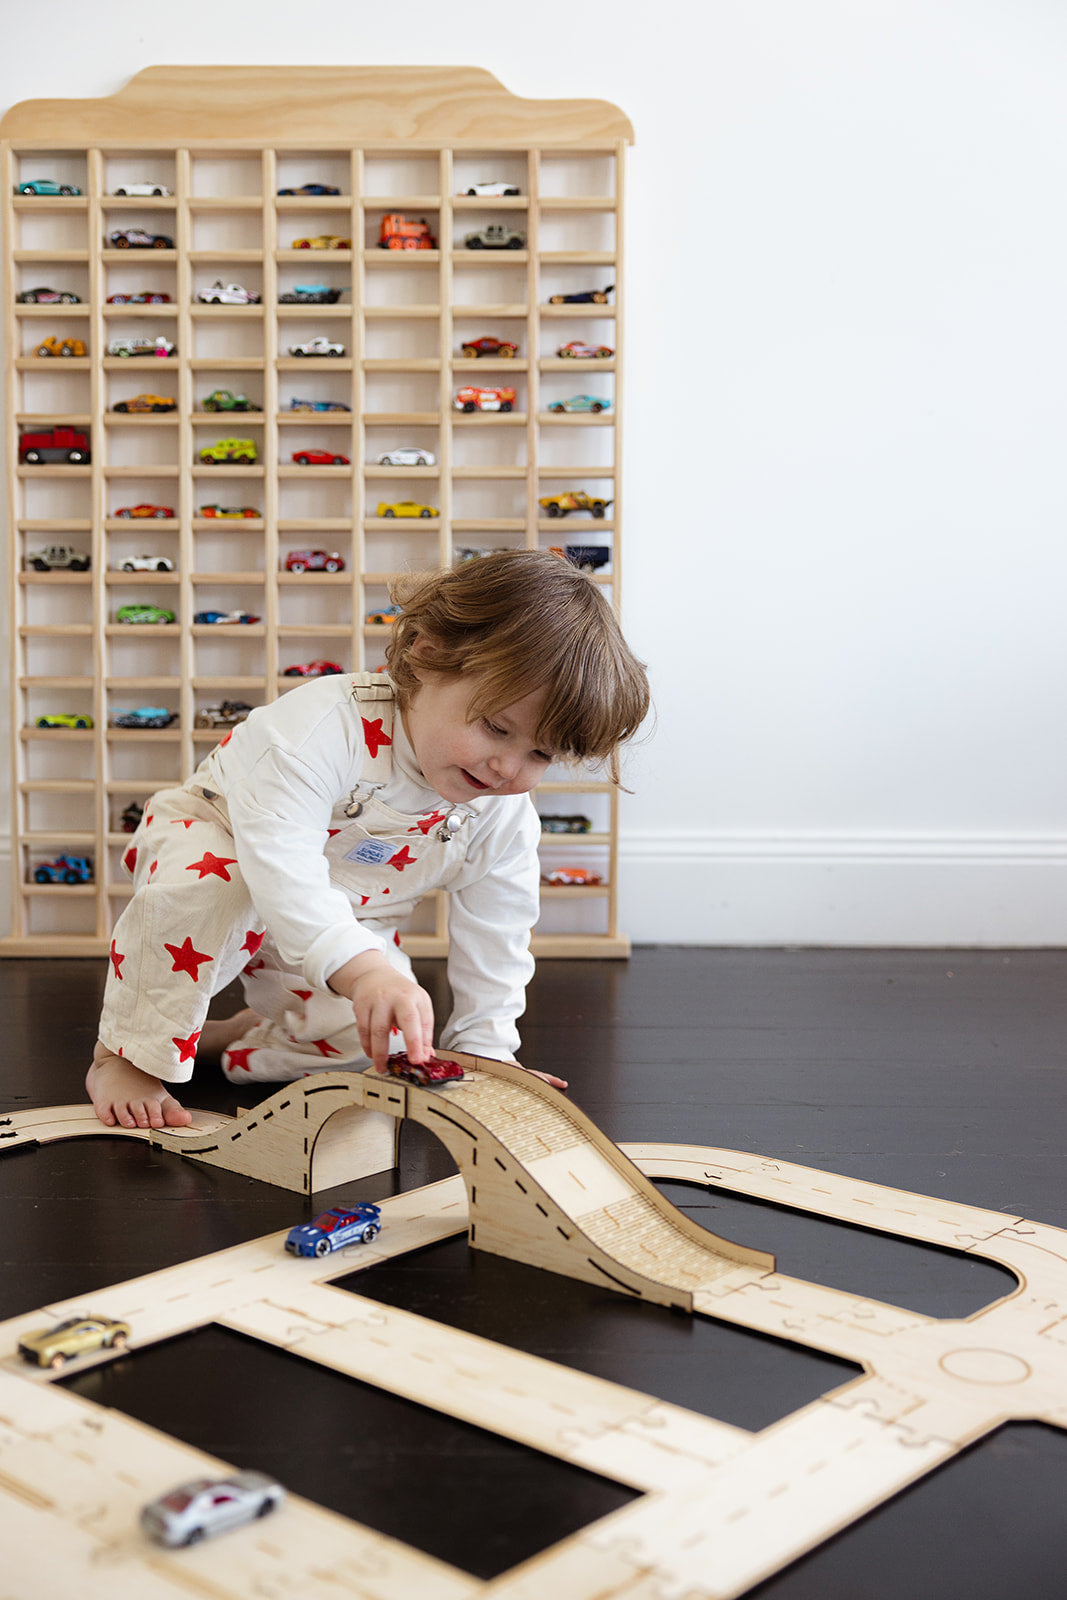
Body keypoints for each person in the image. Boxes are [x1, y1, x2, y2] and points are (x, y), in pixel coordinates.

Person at [86, 550, 650, 1130]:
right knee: (217, 890)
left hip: (340, 913)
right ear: (426, 654)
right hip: (214, 843)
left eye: (540, 754)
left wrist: (487, 1053)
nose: (508, 767)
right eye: (496, 728)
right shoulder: (319, 730)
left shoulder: (500, 814)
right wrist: (363, 971)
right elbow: (282, 868)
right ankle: (126, 1055)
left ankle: (231, 1041)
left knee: (381, 1037)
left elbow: (498, 936)